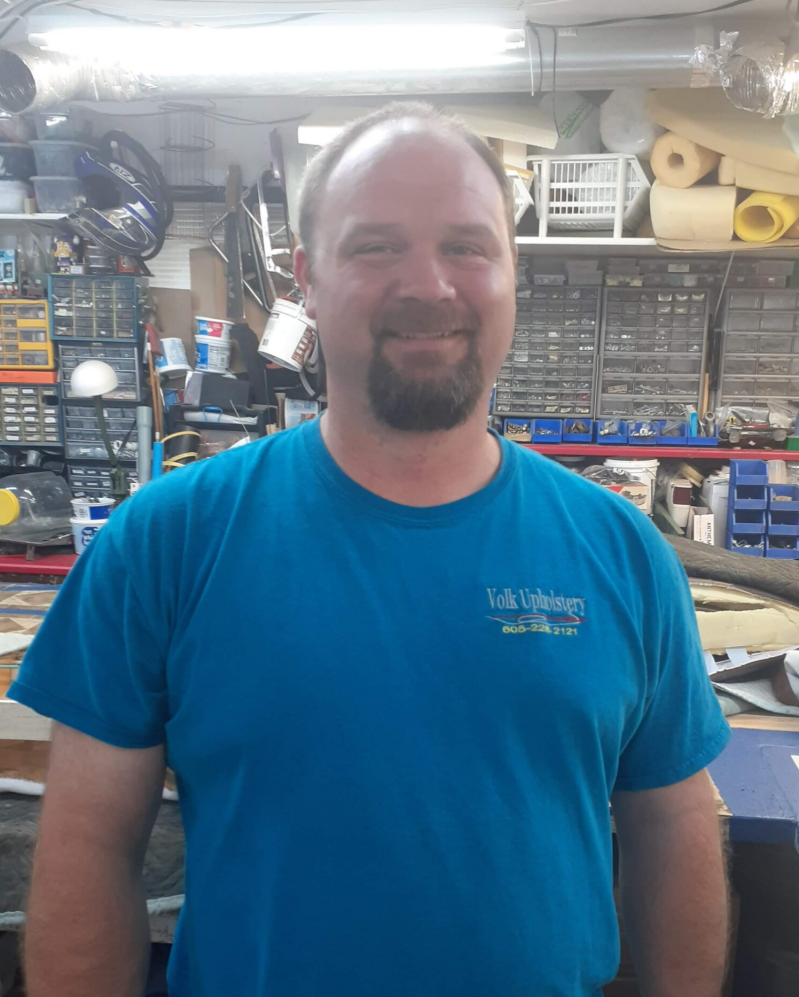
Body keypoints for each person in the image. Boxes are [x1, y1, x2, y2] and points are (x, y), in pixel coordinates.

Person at [11, 102, 730, 997]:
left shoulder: (619, 550)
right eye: (376, 246)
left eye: (466, 245)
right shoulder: (166, 541)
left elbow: (672, 829)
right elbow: (87, 850)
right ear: (307, 279)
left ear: (513, 272)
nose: (427, 284)